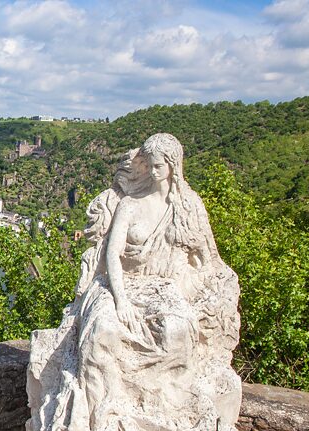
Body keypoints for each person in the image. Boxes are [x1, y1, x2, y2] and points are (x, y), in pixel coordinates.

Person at [27, 133, 241, 431]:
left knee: (177, 330)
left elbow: (207, 259)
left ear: (173, 166)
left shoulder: (189, 208)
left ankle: (164, 405)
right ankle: (102, 413)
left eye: (157, 167)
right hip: (119, 285)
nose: (152, 173)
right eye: (148, 166)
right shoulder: (130, 204)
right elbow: (113, 256)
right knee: (103, 329)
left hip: (162, 290)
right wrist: (121, 299)